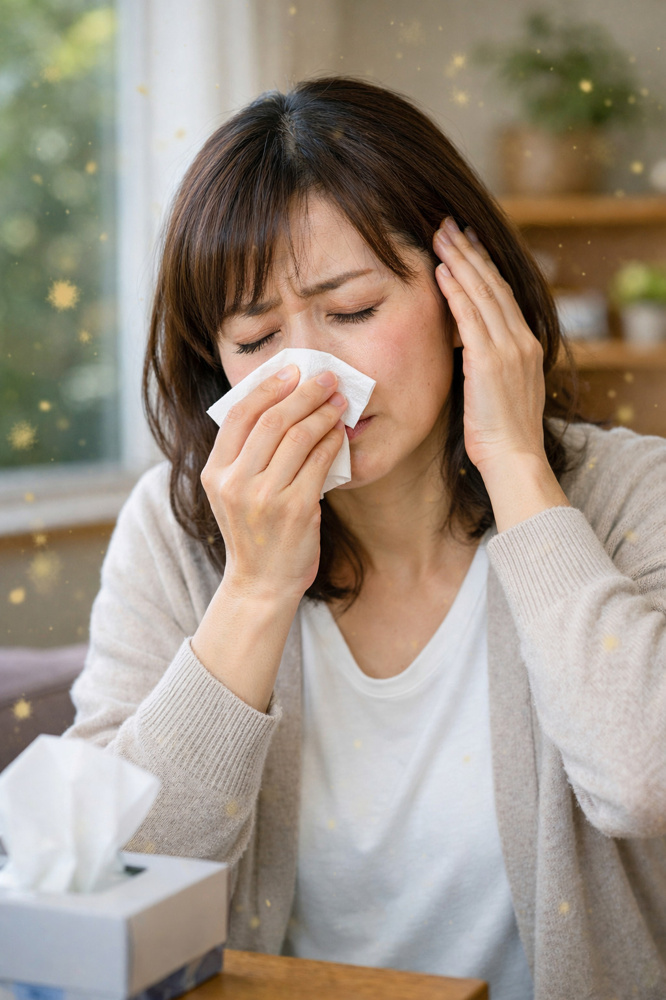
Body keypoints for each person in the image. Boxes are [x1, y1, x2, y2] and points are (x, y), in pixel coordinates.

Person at [63, 77, 666, 999]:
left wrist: (513, 463)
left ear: (469, 299)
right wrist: (255, 592)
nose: (312, 377)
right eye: (257, 337)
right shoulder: (173, 527)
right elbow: (107, 876)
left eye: (352, 312)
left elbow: (643, 782)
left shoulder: (629, 494)